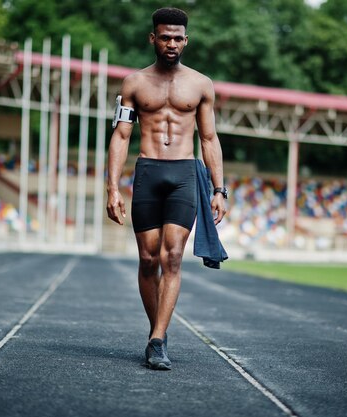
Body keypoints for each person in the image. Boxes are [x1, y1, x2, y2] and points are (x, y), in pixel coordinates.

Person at [106, 7, 227, 371]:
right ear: (153, 38)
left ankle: (157, 340)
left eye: (178, 38)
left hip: (184, 176)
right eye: (165, 37)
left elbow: (208, 138)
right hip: (147, 172)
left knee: (171, 257)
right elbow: (122, 135)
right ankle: (156, 325)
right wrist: (112, 187)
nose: (172, 43)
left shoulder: (201, 84)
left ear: (186, 40)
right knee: (147, 259)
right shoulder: (134, 84)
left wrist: (220, 189)